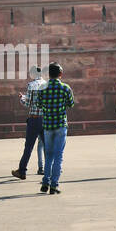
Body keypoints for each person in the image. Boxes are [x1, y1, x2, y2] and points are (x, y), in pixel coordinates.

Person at [36, 62, 75, 195]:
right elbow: (71, 103)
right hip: (60, 125)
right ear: (60, 74)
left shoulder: (42, 87)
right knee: (58, 155)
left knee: (49, 155)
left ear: (49, 74)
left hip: (47, 125)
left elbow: (38, 104)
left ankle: (45, 183)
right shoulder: (65, 88)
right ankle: (54, 185)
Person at [11, 65, 46, 180]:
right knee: (47, 146)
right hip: (45, 119)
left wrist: (22, 98)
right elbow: (37, 99)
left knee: (29, 146)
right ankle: (48, 171)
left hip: (34, 119)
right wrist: (26, 97)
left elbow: (29, 103)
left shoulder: (31, 85)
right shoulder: (46, 84)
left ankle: (22, 171)